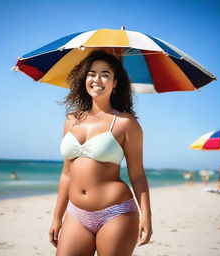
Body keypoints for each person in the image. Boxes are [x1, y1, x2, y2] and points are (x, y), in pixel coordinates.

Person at [49, 50, 152, 255]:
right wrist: (57, 217)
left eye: (105, 74)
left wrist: (146, 215)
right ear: (84, 79)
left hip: (116, 213)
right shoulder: (71, 120)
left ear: (115, 83)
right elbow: (67, 173)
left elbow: (137, 174)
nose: (97, 79)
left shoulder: (126, 123)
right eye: (92, 73)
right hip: (76, 213)